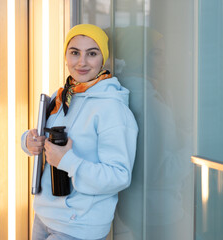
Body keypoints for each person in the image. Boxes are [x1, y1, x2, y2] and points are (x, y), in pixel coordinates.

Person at [21, 24, 138, 240]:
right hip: (44, 216)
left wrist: (68, 161)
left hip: (78, 226)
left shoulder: (112, 108)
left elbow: (119, 176)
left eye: (91, 53)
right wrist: (28, 141)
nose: (82, 62)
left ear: (103, 59)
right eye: (75, 52)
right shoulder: (63, 96)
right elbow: (45, 140)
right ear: (65, 56)